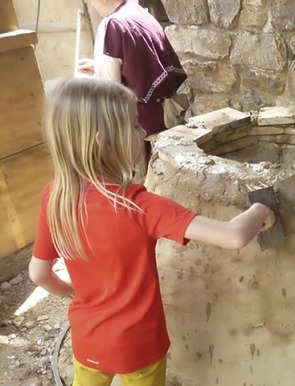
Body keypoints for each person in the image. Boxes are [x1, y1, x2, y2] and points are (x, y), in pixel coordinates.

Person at [29, 77, 275, 386]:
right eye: (133, 126)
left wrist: (73, 292)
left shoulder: (55, 197)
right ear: (100, 142)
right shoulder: (139, 205)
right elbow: (232, 236)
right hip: (140, 346)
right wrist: (260, 210)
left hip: (88, 339)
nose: (143, 132)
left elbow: (39, 274)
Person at [78, 0, 186, 137]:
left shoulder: (111, 24)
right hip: (168, 111)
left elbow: (108, 90)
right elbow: (142, 62)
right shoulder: (139, 12)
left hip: (140, 121)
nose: (92, 5)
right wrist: (97, 66)